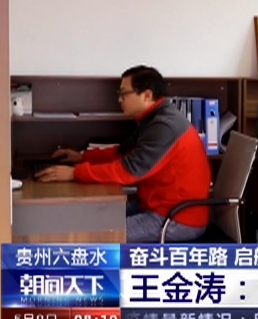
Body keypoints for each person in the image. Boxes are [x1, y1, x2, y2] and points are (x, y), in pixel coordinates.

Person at [35, 65, 212, 243]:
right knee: (89, 216)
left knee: (96, 235)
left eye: (123, 93)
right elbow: (123, 151)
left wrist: (75, 173)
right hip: (154, 207)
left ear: (147, 95)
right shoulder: (153, 119)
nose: (119, 99)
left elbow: (129, 171)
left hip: (176, 219)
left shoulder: (165, 126)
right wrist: (83, 157)